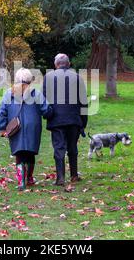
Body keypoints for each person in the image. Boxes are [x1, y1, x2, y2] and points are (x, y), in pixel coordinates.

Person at [0, 68, 53, 191]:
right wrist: (50, 113)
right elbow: (46, 110)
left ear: (16, 79)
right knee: (30, 151)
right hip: (33, 126)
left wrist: (2, 128)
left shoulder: (9, 93)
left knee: (19, 153)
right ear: (30, 80)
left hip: (15, 126)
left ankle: (20, 181)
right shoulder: (35, 93)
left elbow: (2, 112)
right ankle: (29, 178)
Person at [43, 54, 88, 186]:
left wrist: (46, 115)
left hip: (56, 119)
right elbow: (83, 102)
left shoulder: (48, 78)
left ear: (56, 64)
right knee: (72, 148)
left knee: (59, 148)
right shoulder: (77, 77)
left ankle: (60, 178)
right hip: (74, 118)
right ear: (68, 64)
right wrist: (83, 122)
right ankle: (74, 175)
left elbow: (43, 100)